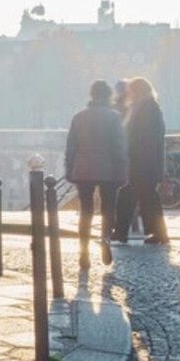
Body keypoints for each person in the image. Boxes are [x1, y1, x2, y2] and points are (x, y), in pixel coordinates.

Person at [64, 80, 127, 267]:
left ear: (91, 95)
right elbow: (119, 147)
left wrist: (70, 169)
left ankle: (83, 250)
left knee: (86, 210)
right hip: (108, 169)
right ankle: (105, 239)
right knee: (108, 208)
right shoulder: (114, 117)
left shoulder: (79, 117)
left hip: (83, 169)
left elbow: (71, 147)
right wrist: (122, 170)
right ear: (108, 96)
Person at [122, 76, 169, 245]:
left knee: (145, 197)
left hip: (143, 162)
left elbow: (145, 137)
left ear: (137, 91)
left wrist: (130, 148)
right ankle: (157, 233)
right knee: (147, 197)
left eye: (131, 91)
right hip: (145, 161)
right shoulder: (147, 106)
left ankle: (158, 233)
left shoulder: (147, 108)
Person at [111, 79, 135, 240]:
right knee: (128, 193)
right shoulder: (133, 107)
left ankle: (118, 228)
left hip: (120, 155)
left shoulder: (115, 108)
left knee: (121, 193)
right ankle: (124, 228)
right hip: (131, 155)